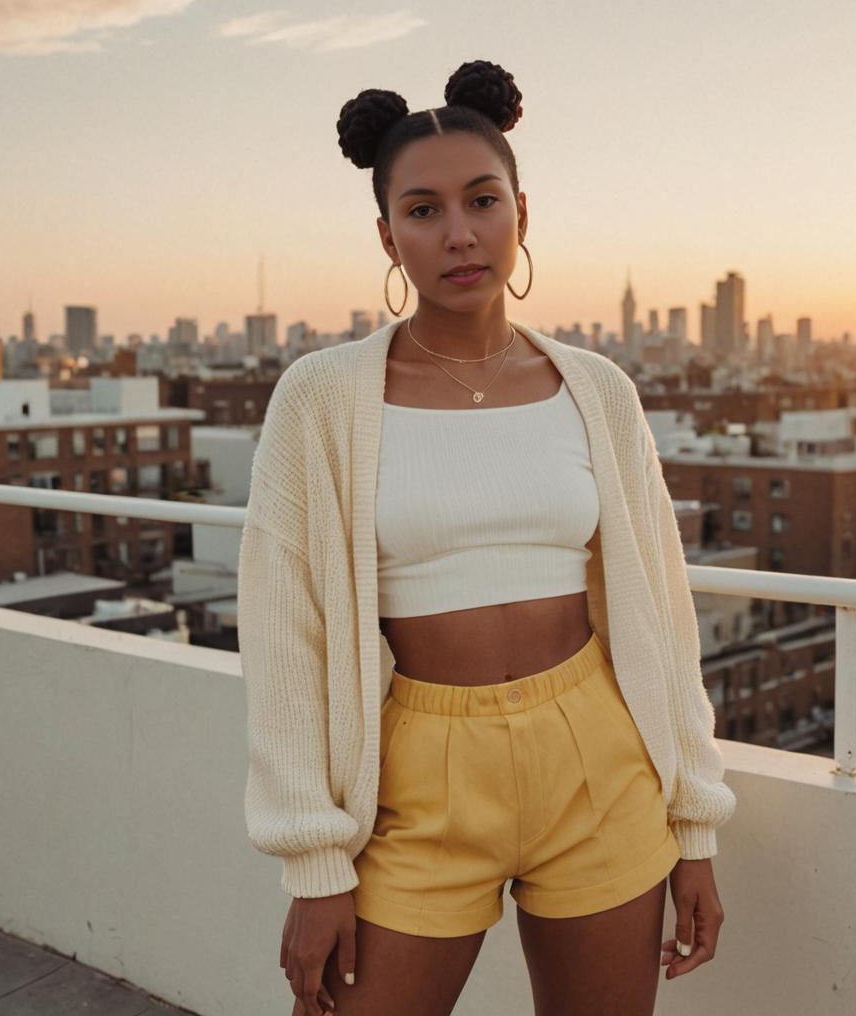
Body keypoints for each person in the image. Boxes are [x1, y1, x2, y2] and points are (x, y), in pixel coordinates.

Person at [237, 59, 737, 1016]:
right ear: (387, 235)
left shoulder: (597, 389)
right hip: (415, 778)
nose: (460, 233)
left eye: (483, 200)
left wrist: (696, 832)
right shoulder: (321, 398)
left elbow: (665, 616)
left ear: (521, 212)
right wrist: (313, 862)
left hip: (600, 761)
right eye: (423, 211)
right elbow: (282, 631)